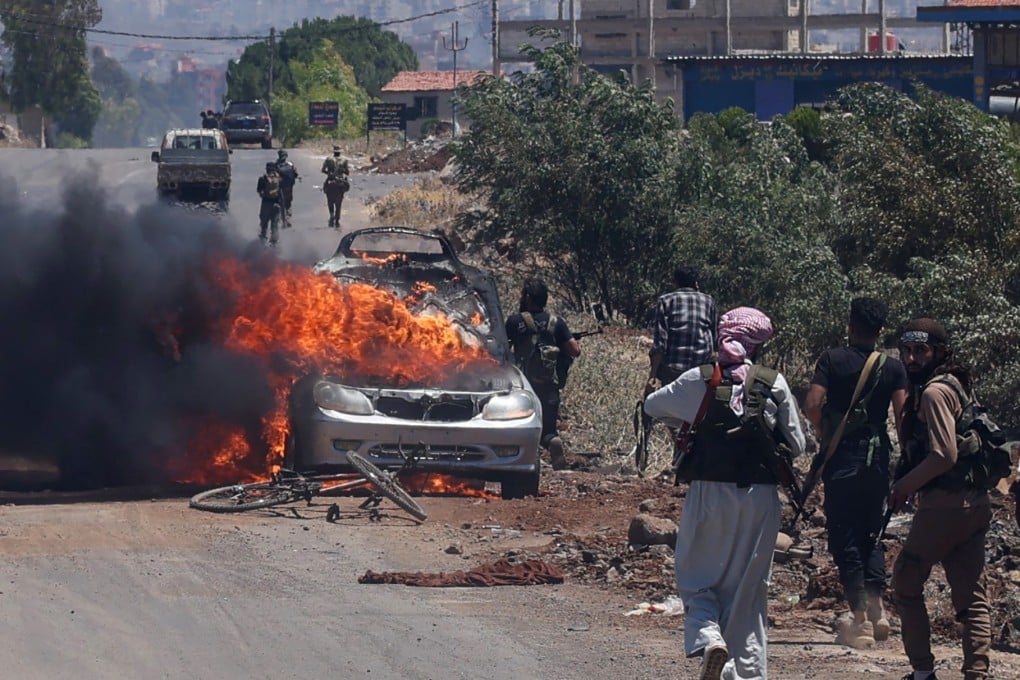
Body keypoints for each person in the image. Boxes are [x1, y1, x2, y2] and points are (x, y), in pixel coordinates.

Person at [645, 307, 805, 680]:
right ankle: (746, 674)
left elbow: (653, 406)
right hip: (760, 499)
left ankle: (708, 635)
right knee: (749, 594)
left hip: (708, 494)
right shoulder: (774, 383)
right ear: (758, 344)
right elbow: (796, 445)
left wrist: (685, 418)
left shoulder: (699, 379)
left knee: (695, 578)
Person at [803, 297, 908, 649]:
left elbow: (813, 405)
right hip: (876, 461)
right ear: (880, 331)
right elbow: (902, 418)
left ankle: (860, 619)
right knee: (871, 531)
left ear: (850, 325)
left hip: (842, 460)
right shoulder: (893, 368)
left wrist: (826, 435)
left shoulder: (832, 359)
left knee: (844, 534)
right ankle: (879, 611)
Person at [890, 318, 992, 680]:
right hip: (975, 505)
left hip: (943, 507)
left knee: (905, 581)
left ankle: (922, 673)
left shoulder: (934, 393)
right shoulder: (956, 386)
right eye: (907, 350)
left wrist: (903, 486)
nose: (912, 358)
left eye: (921, 350)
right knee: (971, 599)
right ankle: (976, 673)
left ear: (939, 352)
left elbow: (943, 456)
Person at [505, 278, 581, 471]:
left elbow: (502, 349)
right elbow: (575, 350)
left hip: (522, 386)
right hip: (549, 385)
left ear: (529, 297)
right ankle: (552, 441)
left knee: (516, 424)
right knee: (548, 429)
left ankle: (515, 460)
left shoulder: (515, 321)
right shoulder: (556, 322)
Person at [646, 264, 718, 395]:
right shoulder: (709, 301)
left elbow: (660, 344)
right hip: (701, 369)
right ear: (695, 282)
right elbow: (714, 339)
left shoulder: (666, 300)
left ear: (675, 282)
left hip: (673, 368)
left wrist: (652, 376)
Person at [321, 145, 350, 228]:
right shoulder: (344, 160)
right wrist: (342, 171)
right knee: (338, 203)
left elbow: (323, 170)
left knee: (330, 200)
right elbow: (347, 172)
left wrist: (329, 173)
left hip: (330, 180)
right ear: (340, 151)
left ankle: (331, 215)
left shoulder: (328, 159)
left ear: (333, 151)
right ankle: (337, 220)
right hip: (340, 182)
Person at [256, 161, 282, 246]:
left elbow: (259, 191)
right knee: (275, 224)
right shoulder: (279, 178)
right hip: (277, 204)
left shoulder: (263, 178)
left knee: (264, 223)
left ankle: (263, 239)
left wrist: (264, 195)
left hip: (266, 203)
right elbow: (281, 193)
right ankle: (274, 242)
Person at [275, 149, 299, 219]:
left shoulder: (276, 165)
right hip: (289, 186)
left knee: (279, 201)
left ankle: (280, 215)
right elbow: (296, 174)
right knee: (288, 201)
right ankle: (288, 214)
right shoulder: (290, 164)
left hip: (280, 186)